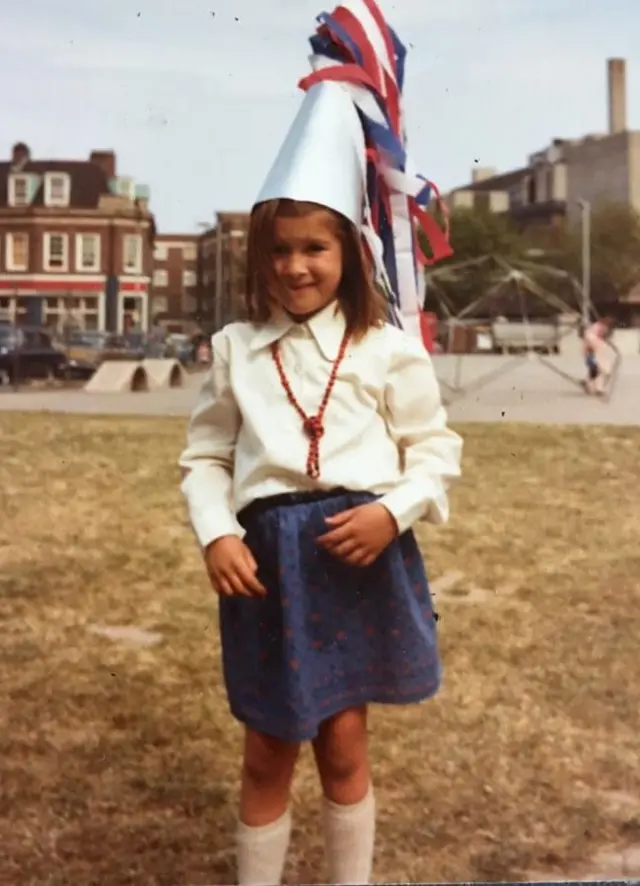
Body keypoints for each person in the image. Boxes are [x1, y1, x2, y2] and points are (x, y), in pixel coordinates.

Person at [179, 4, 462, 884]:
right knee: (269, 746)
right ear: (259, 256)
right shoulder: (236, 350)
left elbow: (436, 451)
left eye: (316, 249)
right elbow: (205, 460)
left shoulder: (387, 349)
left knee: (344, 742)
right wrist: (218, 531)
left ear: (349, 251)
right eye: (280, 251)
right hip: (272, 566)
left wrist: (393, 512)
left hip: (358, 554)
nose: (297, 267)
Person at [582, 316, 615, 395]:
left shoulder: (600, 329)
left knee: (596, 371)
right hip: (591, 353)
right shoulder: (595, 328)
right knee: (598, 370)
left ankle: (588, 384)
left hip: (596, 353)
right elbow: (589, 338)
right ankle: (597, 389)